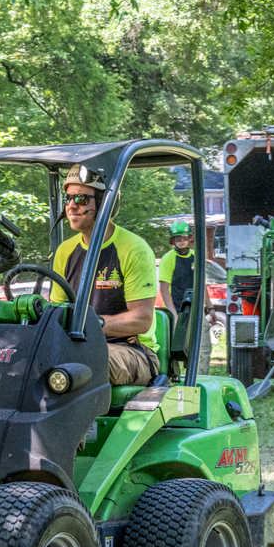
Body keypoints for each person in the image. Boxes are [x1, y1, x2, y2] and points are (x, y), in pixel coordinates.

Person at [49, 164, 160, 386]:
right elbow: (56, 310)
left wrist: (88, 323)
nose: (71, 205)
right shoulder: (65, 251)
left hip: (131, 350)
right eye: (68, 198)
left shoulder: (133, 248)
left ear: (105, 202)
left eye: (81, 199)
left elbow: (141, 319)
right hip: (76, 346)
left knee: (81, 364)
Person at [158, 220, 211, 376]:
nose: (181, 241)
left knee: (203, 348)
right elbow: (164, 288)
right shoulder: (168, 258)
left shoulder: (196, 257)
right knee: (174, 350)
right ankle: (172, 379)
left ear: (190, 238)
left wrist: (211, 307)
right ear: (172, 240)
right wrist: (173, 314)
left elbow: (201, 285)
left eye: (184, 237)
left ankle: (200, 380)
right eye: (178, 238)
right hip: (177, 310)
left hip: (196, 310)